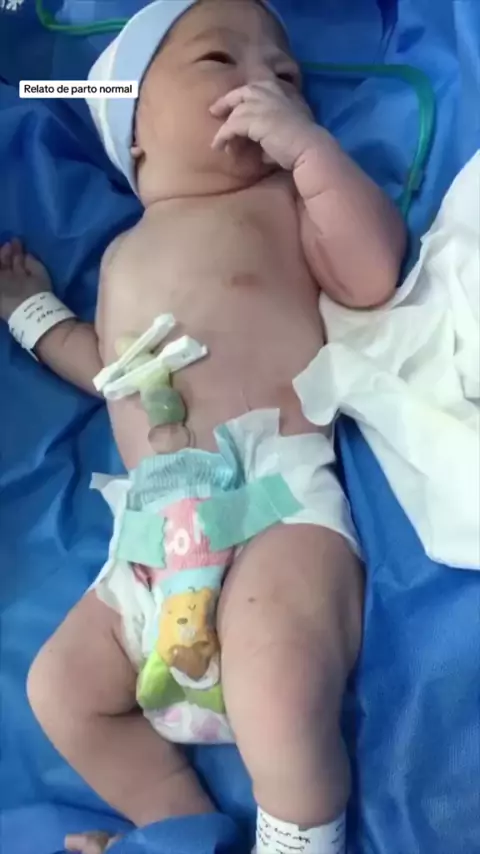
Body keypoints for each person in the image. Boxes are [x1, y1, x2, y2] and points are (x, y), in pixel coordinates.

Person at [0, 1, 405, 851]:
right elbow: (103, 363)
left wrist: (312, 153)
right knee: (59, 689)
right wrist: (30, 312)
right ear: (135, 131)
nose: (265, 84)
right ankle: (175, 830)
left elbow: (370, 272)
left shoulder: (280, 204)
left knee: (278, 678)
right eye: (221, 61)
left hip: (270, 506)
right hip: (149, 543)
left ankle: (295, 840)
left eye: (287, 76)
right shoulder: (122, 255)